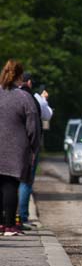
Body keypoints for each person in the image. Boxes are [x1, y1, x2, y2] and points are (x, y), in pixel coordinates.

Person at [0, 60, 40, 236]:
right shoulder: (24, 98)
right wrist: (33, 147)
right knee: (10, 184)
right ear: (19, 77)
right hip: (16, 148)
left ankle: (0, 223)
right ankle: (9, 225)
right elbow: (33, 127)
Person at [17, 72, 50, 228]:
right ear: (29, 82)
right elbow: (47, 116)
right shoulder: (34, 98)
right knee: (26, 181)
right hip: (28, 146)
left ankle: (7, 217)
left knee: (9, 182)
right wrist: (44, 99)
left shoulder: (7, 95)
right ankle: (22, 216)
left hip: (9, 145)